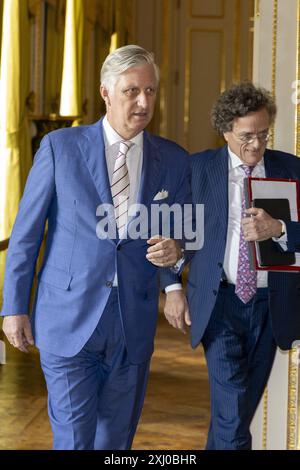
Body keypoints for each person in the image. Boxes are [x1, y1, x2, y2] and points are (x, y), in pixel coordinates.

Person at [1, 45, 191, 450]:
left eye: (151, 92)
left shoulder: (173, 160)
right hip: (67, 320)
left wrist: (177, 256)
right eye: (132, 91)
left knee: (115, 443)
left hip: (132, 324)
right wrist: (14, 307)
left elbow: (181, 233)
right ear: (106, 92)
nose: (144, 102)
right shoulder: (60, 148)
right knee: (74, 439)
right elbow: (26, 234)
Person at [161, 81, 300, 450]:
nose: (255, 144)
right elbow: (170, 234)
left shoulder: (292, 170)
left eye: (263, 134)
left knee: (234, 415)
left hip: (271, 308)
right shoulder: (198, 169)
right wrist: (173, 288)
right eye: (246, 136)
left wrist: (280, 228)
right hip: (218, 304)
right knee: (233, 408)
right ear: (225, 131)